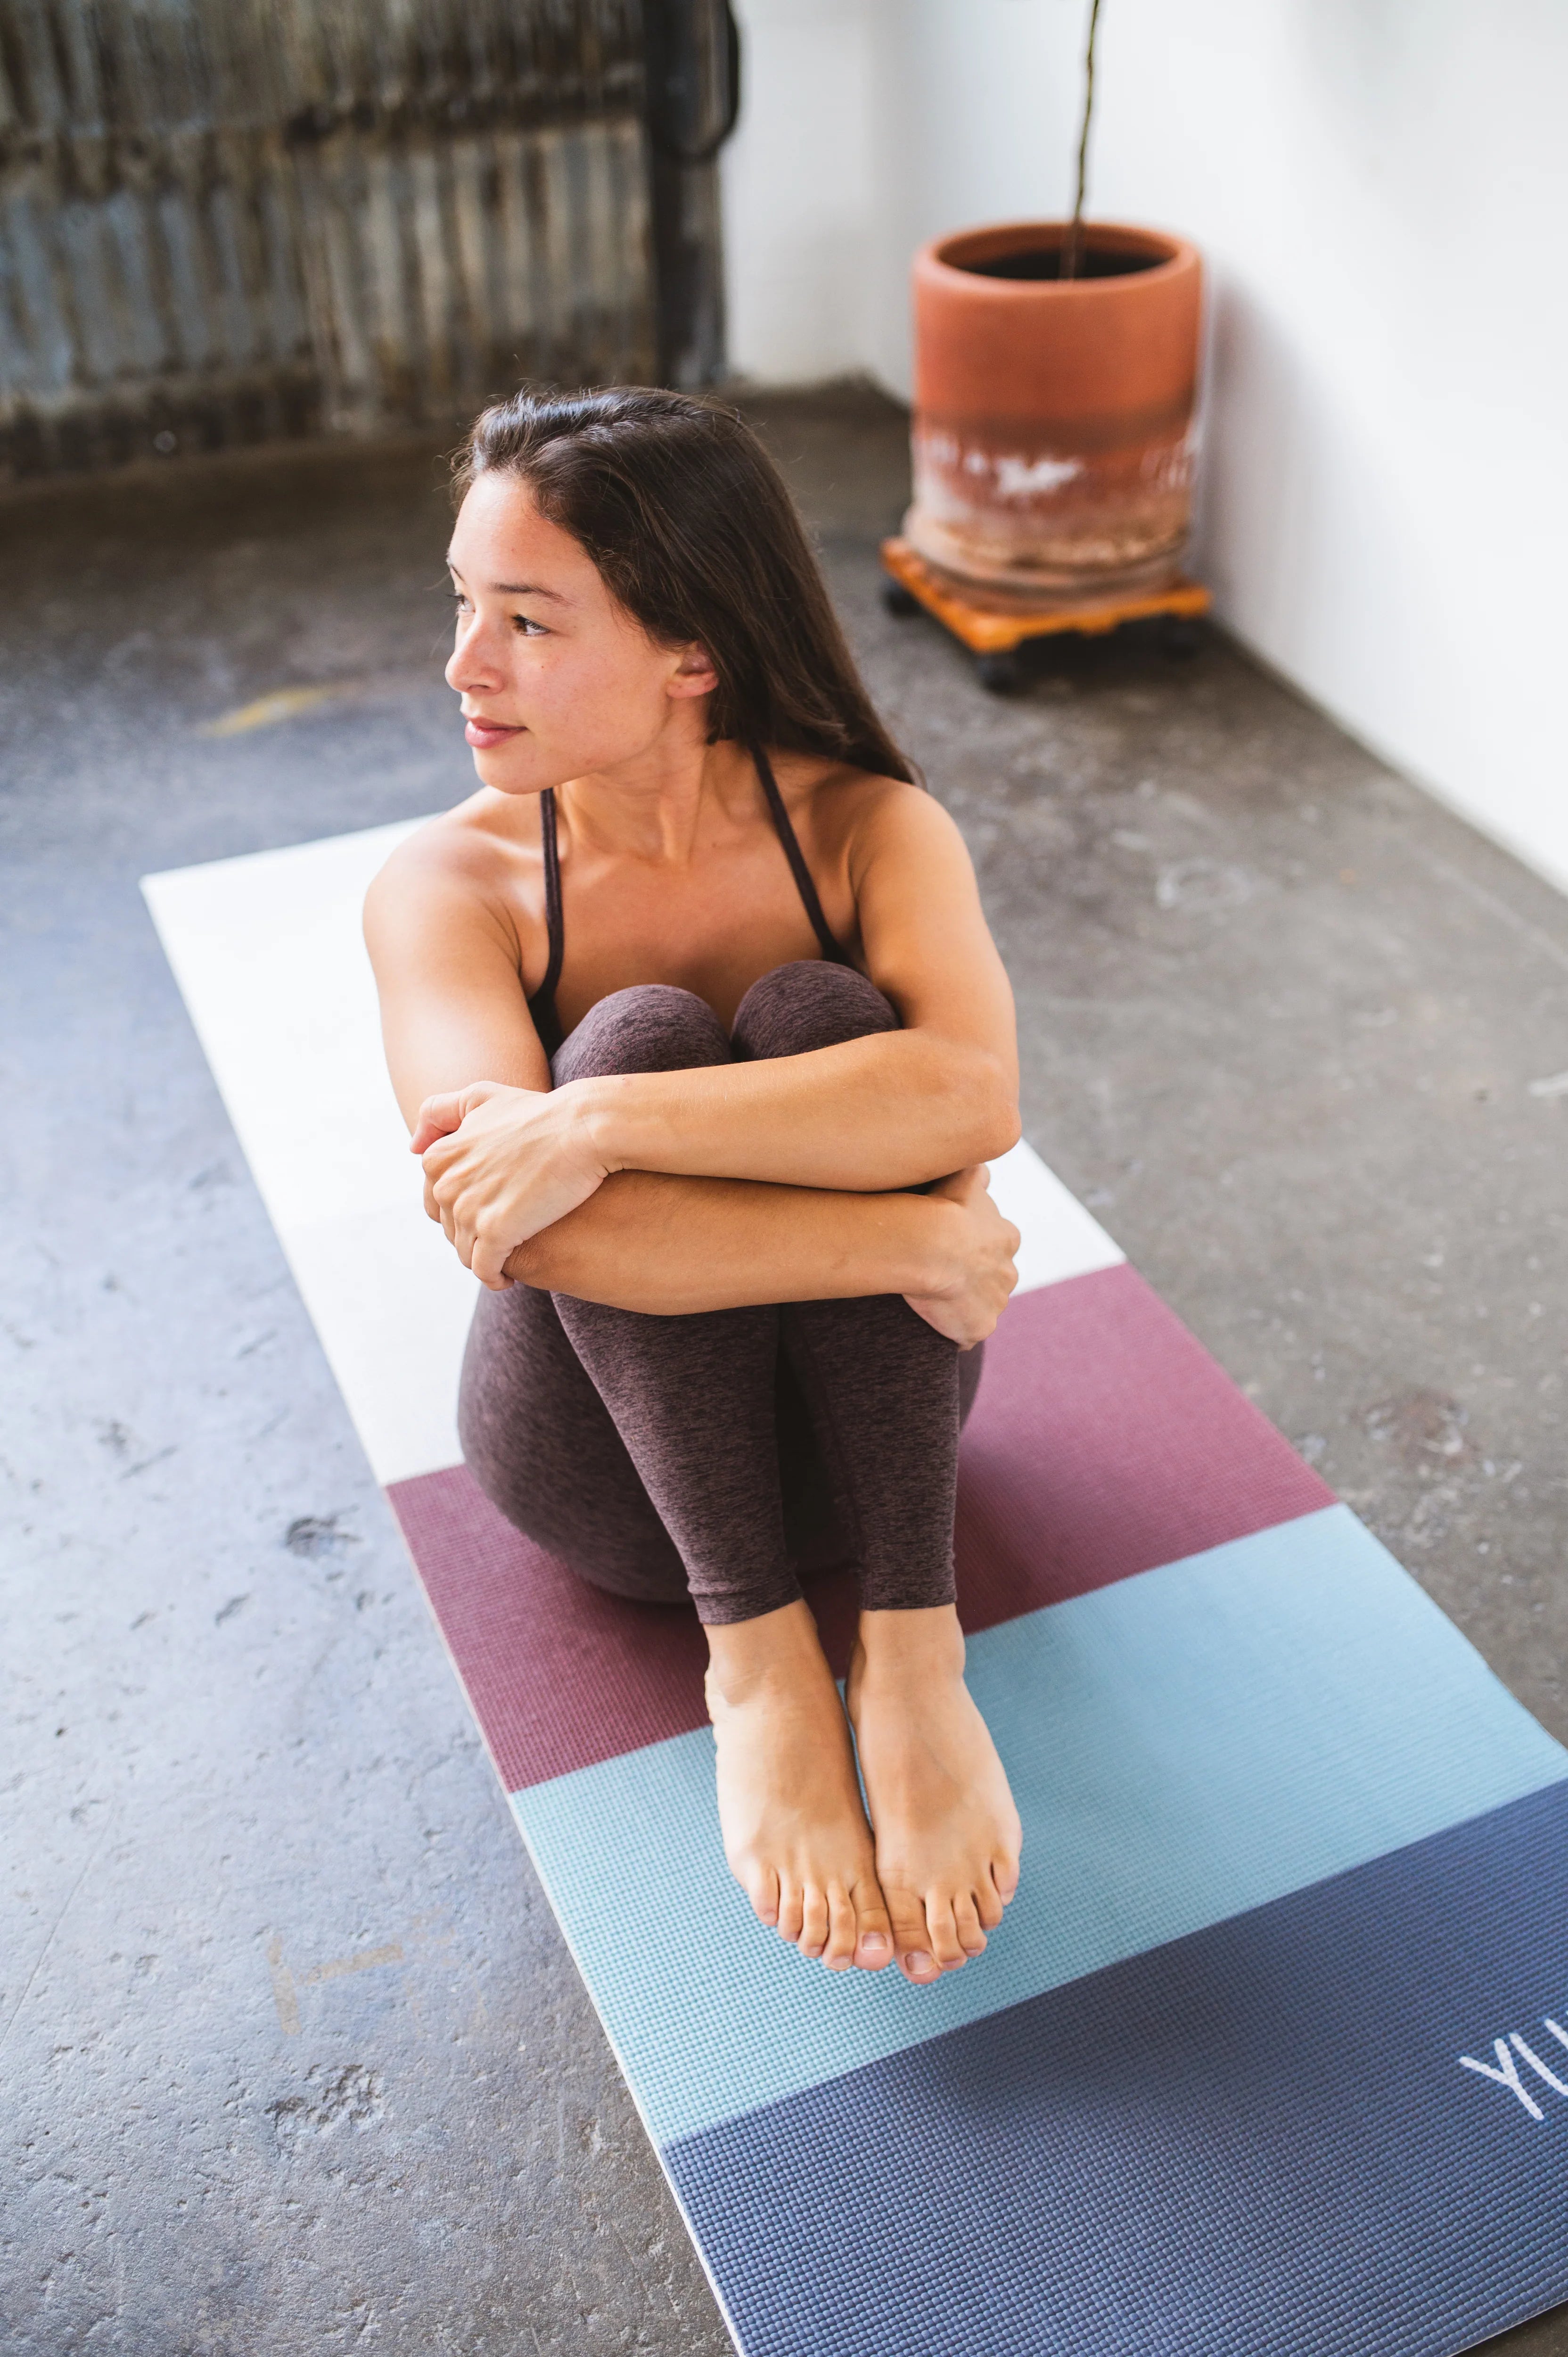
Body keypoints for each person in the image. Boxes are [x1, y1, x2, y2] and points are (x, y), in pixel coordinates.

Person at [365, 386, 1023, 1989]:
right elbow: (524, 1224)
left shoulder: (870, 829)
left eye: (526, 619)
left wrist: (595, 1129)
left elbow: (969, 1089)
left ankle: (915, 1652)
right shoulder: (450, 888)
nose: (465, 664)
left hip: (877, 1469)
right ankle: (760, 1666)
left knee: (808, 1017)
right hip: (615, 1486)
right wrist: (912, 1232)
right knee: (638, 1036)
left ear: (696, 650)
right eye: (464, 604)